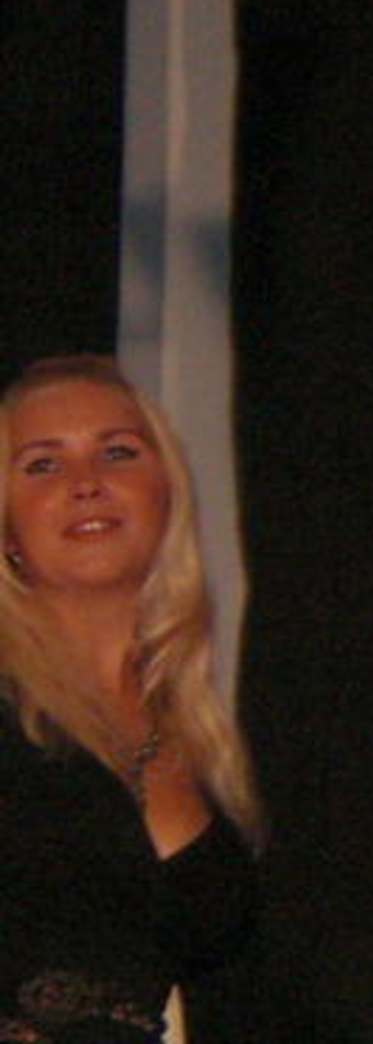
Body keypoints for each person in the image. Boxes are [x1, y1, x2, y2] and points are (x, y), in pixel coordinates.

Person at [1, 355, 262, 1041]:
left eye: (117, 452)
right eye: (42, 465)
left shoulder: (205, 739)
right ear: (7, 529)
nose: (86, 483)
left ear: (166, 494)